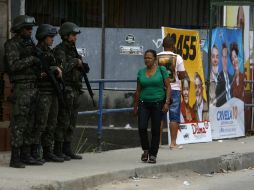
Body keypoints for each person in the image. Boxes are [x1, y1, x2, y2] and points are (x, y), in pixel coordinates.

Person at [4, 15, 42, 168]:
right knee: (19, 123)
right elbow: (13, 65)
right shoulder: (11, 44)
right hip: (21, 88)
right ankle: (15, 158)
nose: (30, 31)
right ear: (19, 29)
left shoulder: (31, 45)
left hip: (33, 87)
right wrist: (32, 60)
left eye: (31, 29)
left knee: (31, 123)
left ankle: (26, 155)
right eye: (27, 28)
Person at [54, 22, 89, 160]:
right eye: (73, 35)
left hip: (75, 89)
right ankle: (58, 149)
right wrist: (76, 62)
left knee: (72, 121)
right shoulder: (60, 50)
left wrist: (82, 65)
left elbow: (80, 67)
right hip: (66, 89)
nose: (75, 38)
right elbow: (62, 68)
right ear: (66, 35)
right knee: (63, 120)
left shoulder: (72, 50)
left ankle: (67, 148)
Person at [33, 24, 64, 162]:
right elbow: (36, 72)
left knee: (52, 123)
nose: (52, 39)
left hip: (53, 91)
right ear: (43, 37)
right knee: (41, 123)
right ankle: (35, 151)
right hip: (43, 92)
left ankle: (48, 151)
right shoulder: (36, 51)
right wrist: (52, 69)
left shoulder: (50, 52)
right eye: (50, 37)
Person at [134, 49, 170, 164]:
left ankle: (153, 154)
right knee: (142, 127)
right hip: (143, 103)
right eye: (145, 58)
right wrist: (135, 106)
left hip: (158, 103)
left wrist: (167, 103)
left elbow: (168, 87)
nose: (147, 60)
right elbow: (138, 90)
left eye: (149, 58)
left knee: (155, 129)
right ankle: (145, 150)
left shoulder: (162, 70)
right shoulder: (140, 72)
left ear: (155, 59)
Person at [157, 35, 188, 149]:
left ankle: (158, 142)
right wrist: (182, 74)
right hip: (174, 89)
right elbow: (181, 75)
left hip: (160, 89)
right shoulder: (177, 57)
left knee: (159, 116)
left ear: (163, 45)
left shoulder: (156, 57)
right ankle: (173, 143)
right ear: (173, 46)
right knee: (174, 116)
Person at [216, 42, 233, 107]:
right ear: (221, 59)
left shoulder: (231, 77)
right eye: (223, 57)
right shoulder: (218, 77)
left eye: (226, 57)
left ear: (228, 59)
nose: (225, 60)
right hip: (222, 110)